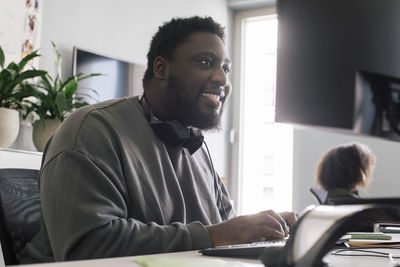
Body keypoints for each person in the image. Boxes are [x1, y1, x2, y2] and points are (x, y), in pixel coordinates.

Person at [22, 16, 296, 263]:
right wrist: (213, 236)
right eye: (206, 62)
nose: (222, 78)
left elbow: (223, 229)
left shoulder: (196, 146)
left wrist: (263, 230)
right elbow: (88, 247)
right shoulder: (90, 130)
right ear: (161, 69)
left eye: (226, 68)